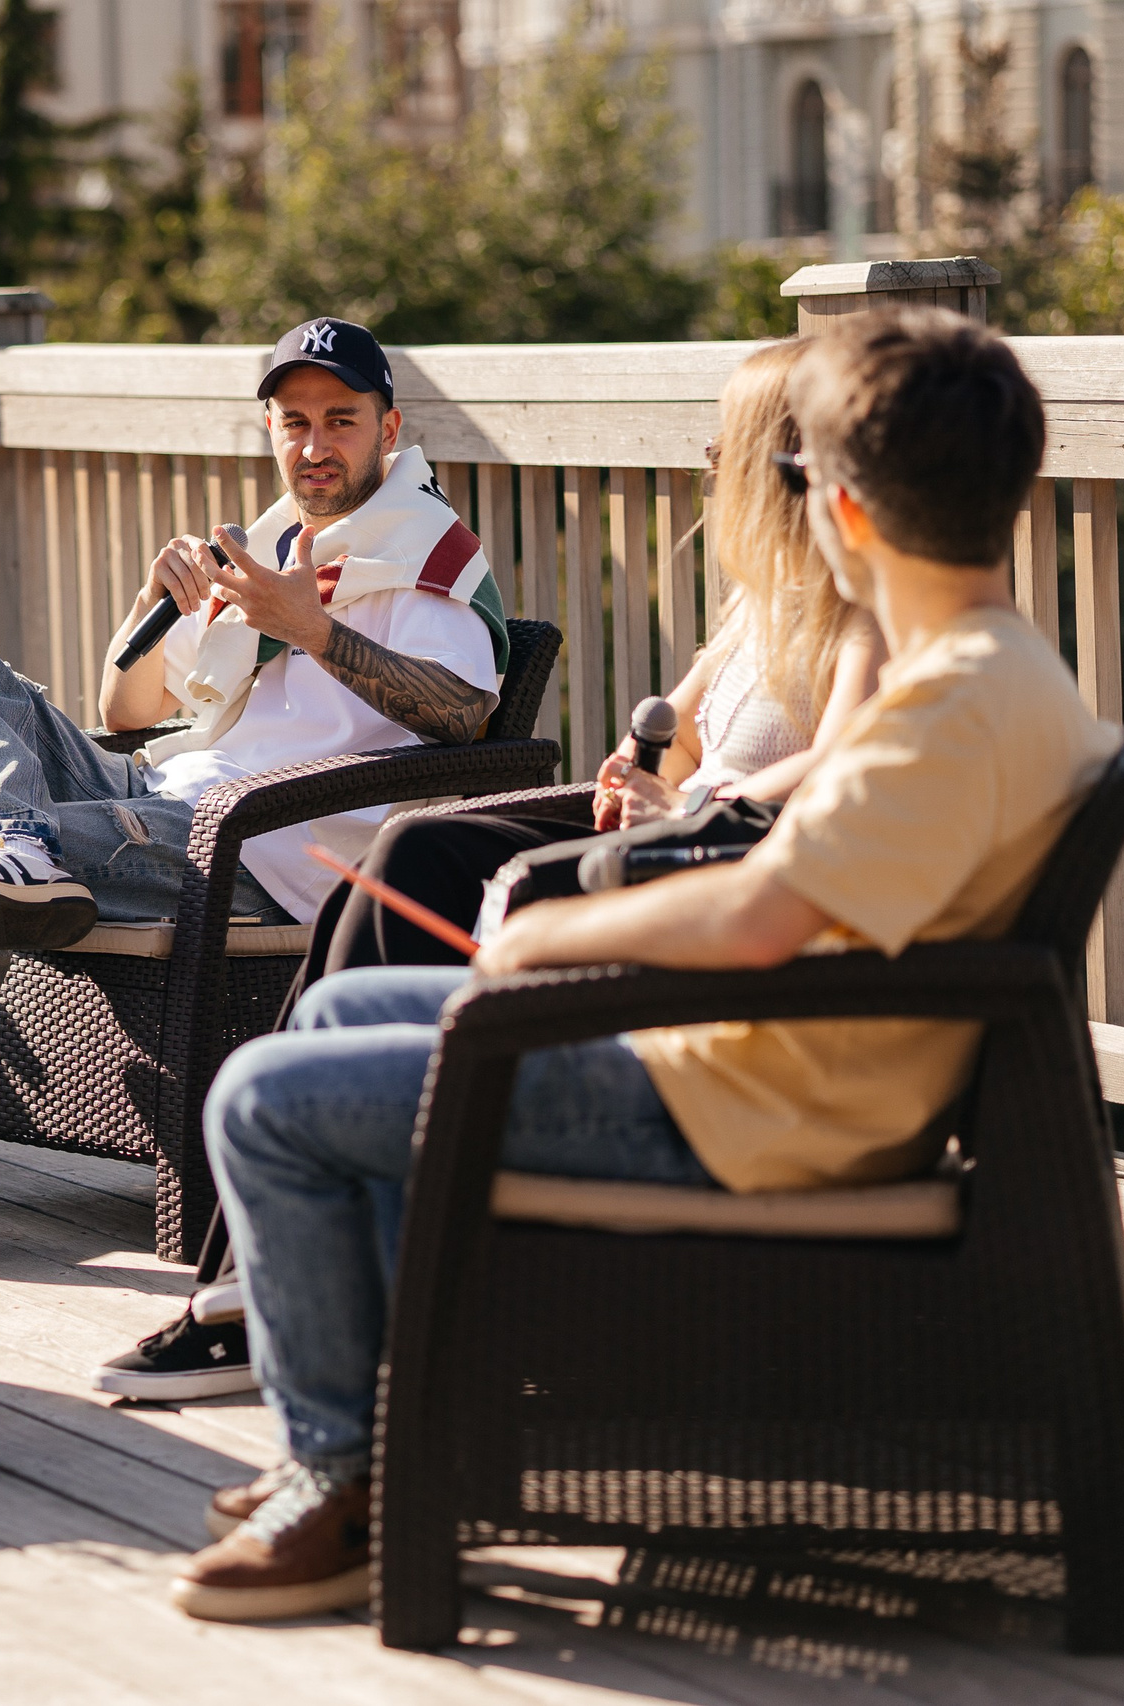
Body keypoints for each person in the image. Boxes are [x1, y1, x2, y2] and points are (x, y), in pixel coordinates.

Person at [167, 307, 1122, 1625]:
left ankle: (347, 1478)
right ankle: (398, 1430)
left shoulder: (949, 702)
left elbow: (758, 923)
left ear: (839, 509)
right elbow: (800, 854)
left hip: (743, 1101)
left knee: (264, 1102)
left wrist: (543, 935)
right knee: (337, 1007)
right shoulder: (987, 670)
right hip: (755, 1059)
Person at [93, 339, 885, 1402]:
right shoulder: (763, 595)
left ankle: (249, 1289)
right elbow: (682, 724)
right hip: (681, 843)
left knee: (419, 868)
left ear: (781, 460)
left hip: (724, 871)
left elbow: (845, 763)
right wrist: (643, 770)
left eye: (720, 449)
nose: (707, 470)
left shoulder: (861, 605)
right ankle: (253, 1276)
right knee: (414, 850)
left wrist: (689, 803)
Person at [0, 316, 511, 1253]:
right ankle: (6, 850)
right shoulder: (274, 547)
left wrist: (316, 628)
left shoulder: (430, 553)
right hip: (166, 790)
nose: (314, 445)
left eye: (341, 420)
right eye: (294, 421)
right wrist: (148, 607)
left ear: (390, 428)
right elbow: (125, 709)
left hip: (254, 842)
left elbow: (461, 713)